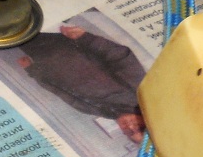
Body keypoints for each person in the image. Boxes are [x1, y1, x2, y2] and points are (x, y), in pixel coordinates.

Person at [15, 24, 147, 143]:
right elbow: (120, 56)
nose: (130, 126)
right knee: (27, 22)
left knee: (14, 31)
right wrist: (85, 37)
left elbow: (59, 90)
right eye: (139, 127)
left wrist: (32, 70)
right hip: (60, 40)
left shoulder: (94, 110)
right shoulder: (138, 92)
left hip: (39, 55)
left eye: (129, 132)